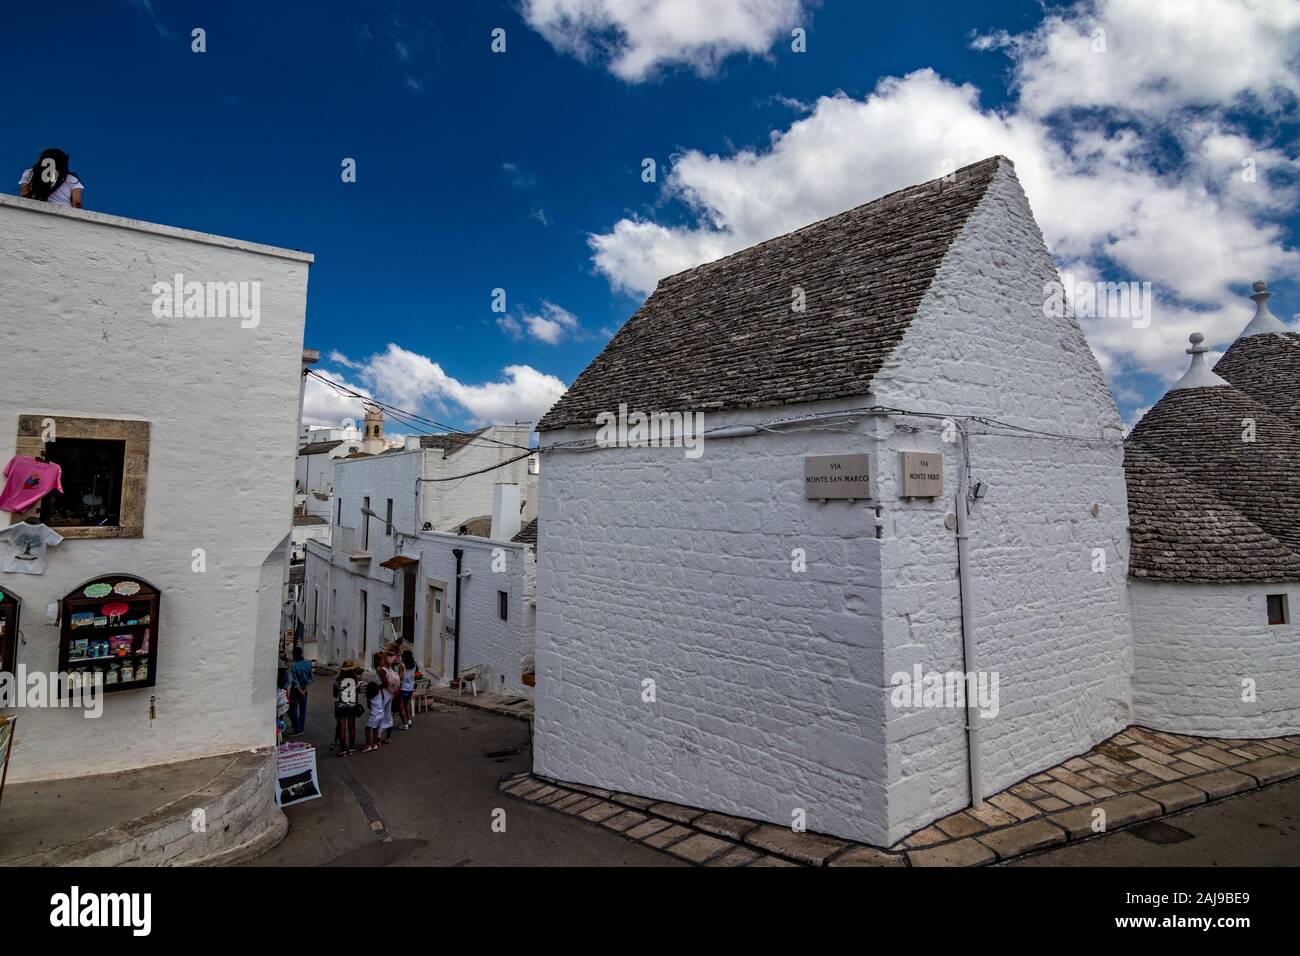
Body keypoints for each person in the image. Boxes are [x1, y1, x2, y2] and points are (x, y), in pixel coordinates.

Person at [19, 148, 83, 208]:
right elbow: (77, 202)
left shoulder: (29, 172)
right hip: (64, 212)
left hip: (37, 210)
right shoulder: (72, 179)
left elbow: (24, 194)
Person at [333, 660, 362, 756]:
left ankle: (343, 750)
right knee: (352, 728)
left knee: (342, 729)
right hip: (352, 706)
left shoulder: (337, 681)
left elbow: (334, 694)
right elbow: (357, 693)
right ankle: (352, 748)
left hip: (341, 707)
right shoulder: (356, 680)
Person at [287, 647, 313, 736]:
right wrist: (304, 690)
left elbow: (295, 681)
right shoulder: (308, 663)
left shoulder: (294, 666)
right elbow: (310, 678)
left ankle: (297, 728)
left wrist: (300, 691)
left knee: (292, 710)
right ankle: (301, 727)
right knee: (303, 709)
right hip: (305, 688)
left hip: (296, 690)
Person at [398, 649, 419, 730]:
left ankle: (404, 724)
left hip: (403, 688)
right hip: (410, 688)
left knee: (401, 707)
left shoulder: (402, 665)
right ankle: (409, 721)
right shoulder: (414, 665)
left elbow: (400, 677)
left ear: (404, 657)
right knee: (407, 705)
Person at [363, 679, 386, 753]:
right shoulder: (380, 692)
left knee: (367, 729)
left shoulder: (370, 696)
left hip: (374, 714)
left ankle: (368, 745)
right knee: (375, 728)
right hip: (381, 713)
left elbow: (369, 706)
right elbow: (382, 698)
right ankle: (375, 744)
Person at [275, 668, 290, 744]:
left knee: (277, 723)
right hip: (282, 705)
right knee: (279, 721)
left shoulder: (276, 689)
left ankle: (278, 740)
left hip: (278, 706)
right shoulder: (282, 689)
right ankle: (279, 740)